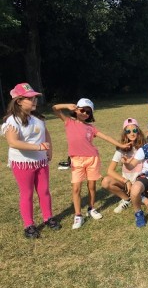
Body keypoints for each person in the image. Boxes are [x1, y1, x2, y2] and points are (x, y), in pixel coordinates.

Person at [52, 99, 131, 229]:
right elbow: (55, 108)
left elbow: (105, 137)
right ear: (76, 110)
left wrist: (121, 145)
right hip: (76, 160)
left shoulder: (90, 128)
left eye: (88, 112)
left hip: (92, 159)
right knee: (76, 188)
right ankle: (78, 215)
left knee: (92, 186)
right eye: (82, 110)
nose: (84, 113)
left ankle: (91, 208)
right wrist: (67, 106)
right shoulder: (68, 122)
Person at [1, 83, 62, 238]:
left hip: (41, 162)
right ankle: (29, 225)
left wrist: (49, 150)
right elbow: (13, 142)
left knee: (44, 191)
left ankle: (48, 218)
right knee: (27, 194)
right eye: (29, 98)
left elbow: (46, 134)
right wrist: (38, 147)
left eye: (34, 97)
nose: (34, 100)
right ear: (19, 101)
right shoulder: (12, 121)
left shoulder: (38, 118)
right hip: (23, 163)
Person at [101, 118, 146, 213]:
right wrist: (126, 181)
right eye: (128, 131)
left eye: (134, 130)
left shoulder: (144, 147)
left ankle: (139, 196)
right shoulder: (121, 149)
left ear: (138, 131)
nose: (132, 133)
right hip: (126, 184)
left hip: (140, 182)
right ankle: (126, 199)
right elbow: (110, 171)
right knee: (106, 181)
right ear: (125, 133)